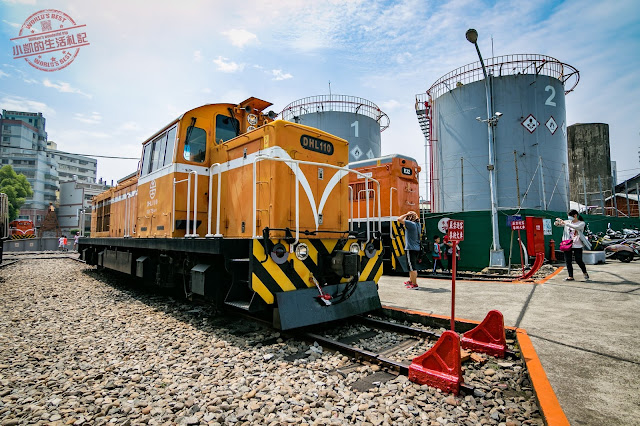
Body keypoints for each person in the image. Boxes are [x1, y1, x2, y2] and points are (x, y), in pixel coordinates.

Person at [555, 210, 591, 281]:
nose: (569, 217)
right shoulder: (567, 222)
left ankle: (585, 272)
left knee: (578, 260)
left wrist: (565, 223)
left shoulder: (581, 223)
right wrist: (558, 222)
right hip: (567, 244)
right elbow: (557, 224)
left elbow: (576, 227)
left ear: (575, 215)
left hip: (577, 244)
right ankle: (570, 276)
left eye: (570, 216)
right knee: (568, 260)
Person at [398, 210, 421, 289]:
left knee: (412, 267)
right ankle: (411, 281)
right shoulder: (418, 224)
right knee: (411, 266)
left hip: (410, 249)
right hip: (416, 248)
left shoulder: (411, 224)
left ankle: (414, 284)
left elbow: (399, 219)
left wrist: (406, 214)